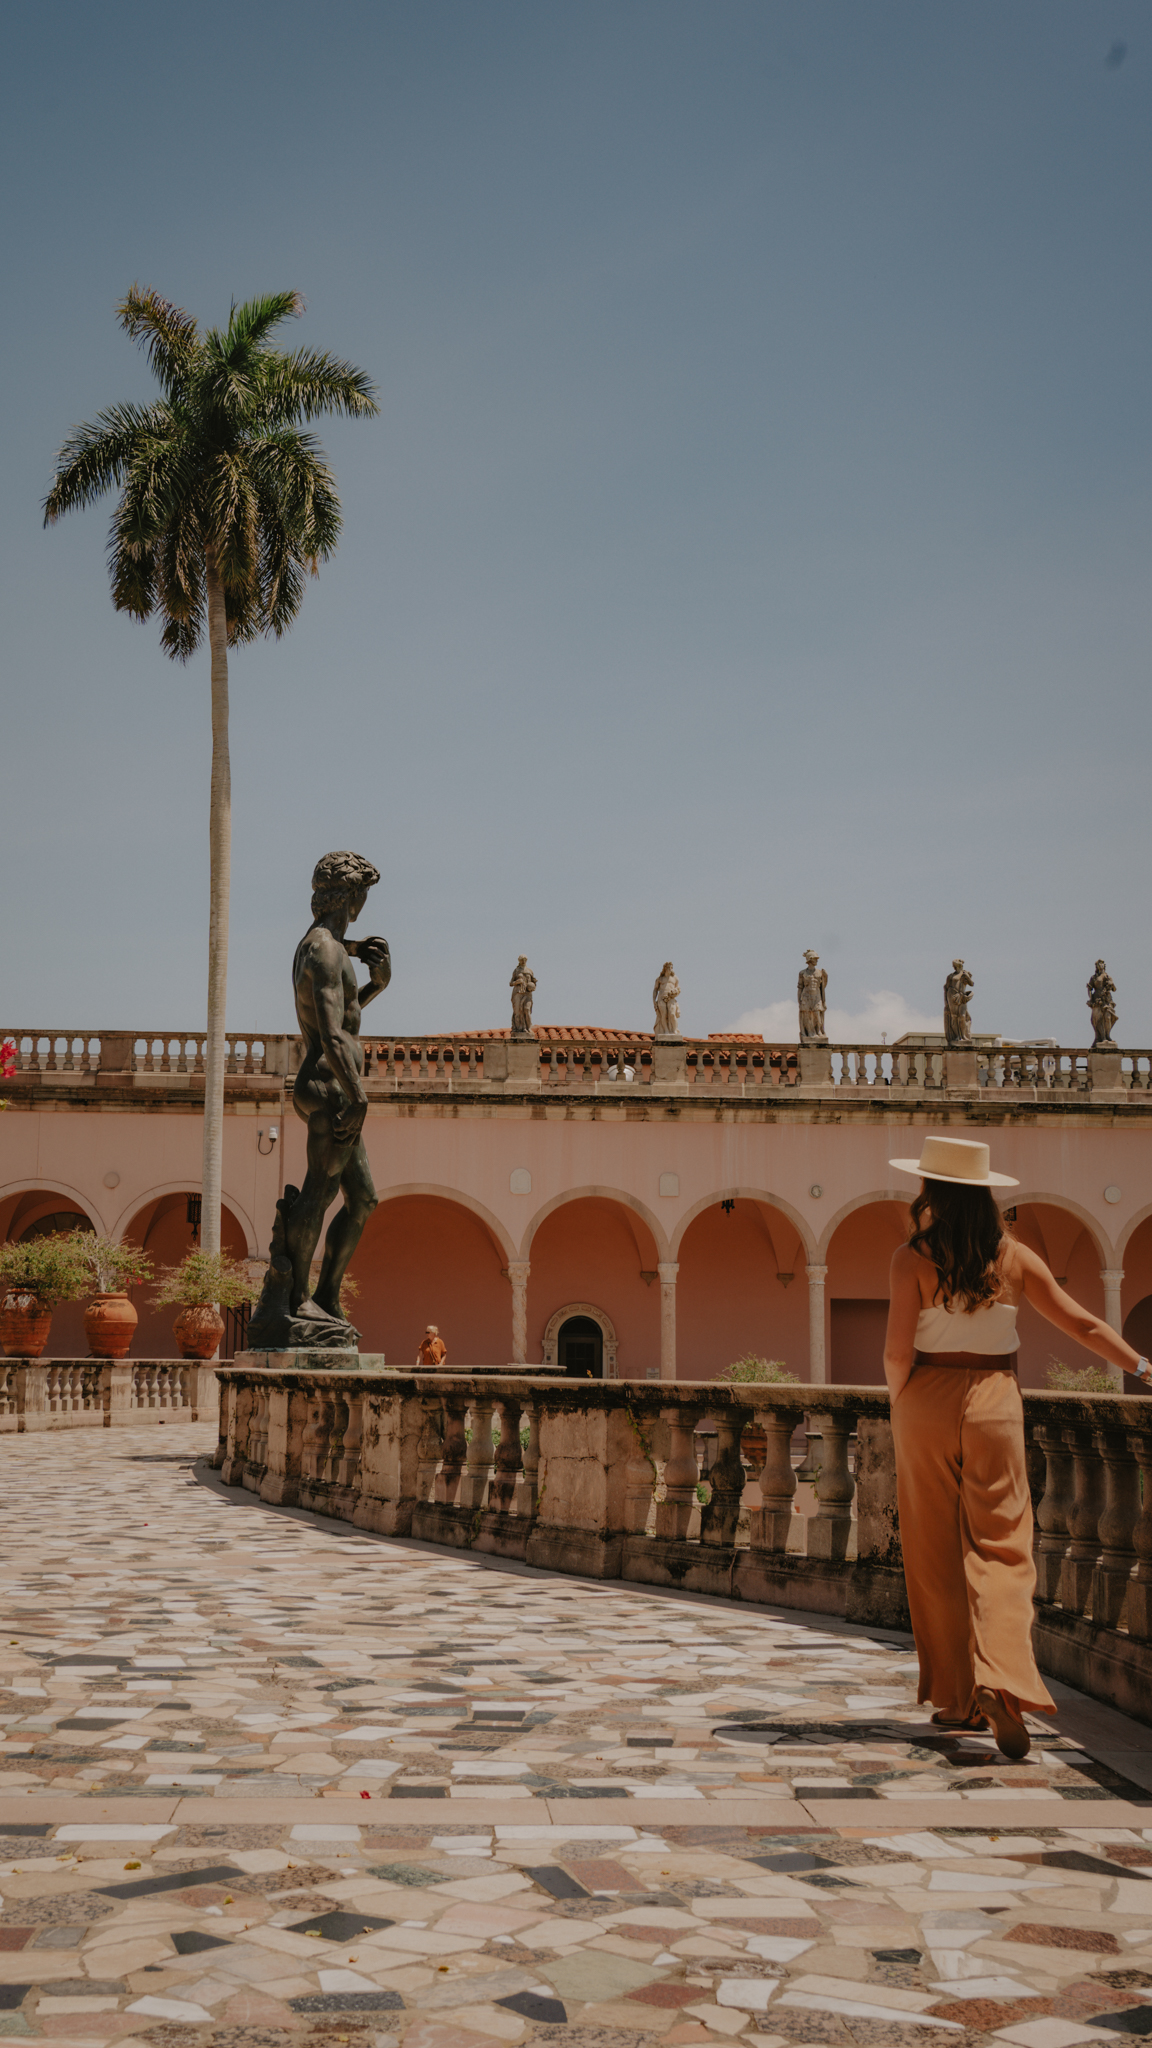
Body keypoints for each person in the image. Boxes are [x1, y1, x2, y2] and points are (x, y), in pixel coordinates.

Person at [884, 1133, 1150, 1761]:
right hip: (995, 1398)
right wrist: (1143, 1366)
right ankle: (1001, 1677)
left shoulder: (910, 1258)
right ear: (984, 1195)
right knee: (1004, 1548)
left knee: (934, 1550)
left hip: (925, 1395)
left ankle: (955, 1700)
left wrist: (905, 1402)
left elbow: (897, 1351)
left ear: (931, 1192)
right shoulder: (1015, 1257)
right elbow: (1082, 1322)